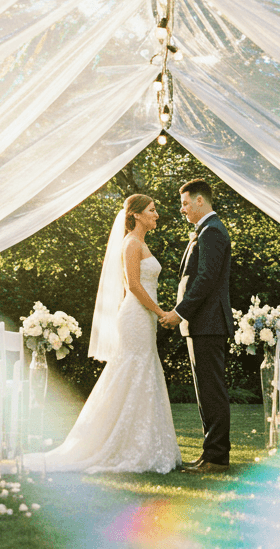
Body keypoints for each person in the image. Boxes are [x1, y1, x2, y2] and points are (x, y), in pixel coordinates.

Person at [25, 194, 181, 474]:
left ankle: (143, 442)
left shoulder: (141, 243)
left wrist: (155, 315)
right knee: (132, 369)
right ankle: (112, 442)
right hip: (136, 315)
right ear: (136, 214)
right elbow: (134, 285)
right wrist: (160, 312)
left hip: (144, 317)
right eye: (152, 209)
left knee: (142, 371)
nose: (157, 214)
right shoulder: (131, 243)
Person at [159, 179, 232, 472]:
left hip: (208, 322)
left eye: (185, 203)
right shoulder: (206, 230)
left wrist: (179, 312)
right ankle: (209, 453)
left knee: (212, 391)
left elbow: (205, 279)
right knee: (205, 392)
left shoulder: (212, 231)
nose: (182, 209)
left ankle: (217, 457)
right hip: (202, 324)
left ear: (200, 200)